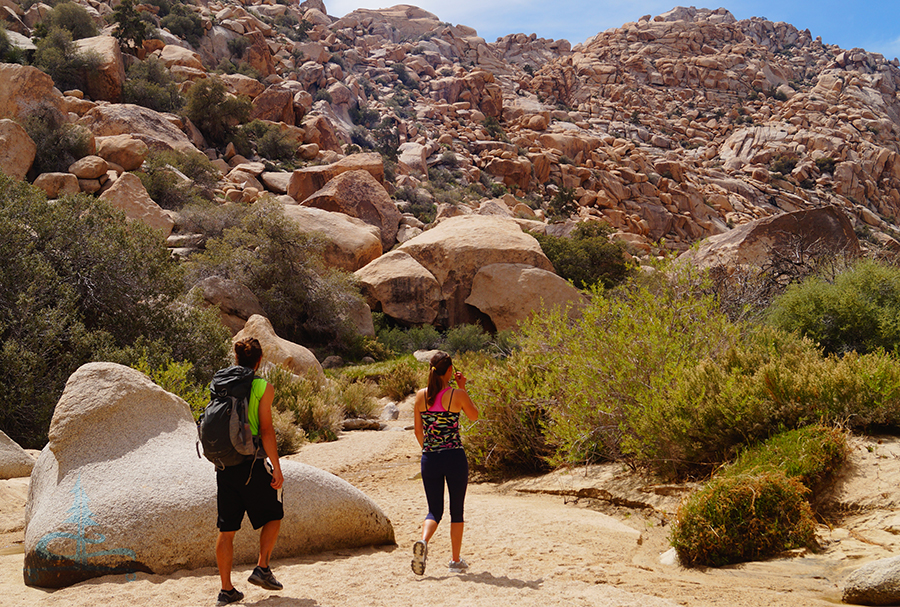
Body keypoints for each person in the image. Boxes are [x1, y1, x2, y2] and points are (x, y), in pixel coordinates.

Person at [214, 337, 285, 606]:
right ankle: (262, 567)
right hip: (252, 464)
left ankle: (226, 589)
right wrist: (276, 468)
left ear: (236, 359)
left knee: (226, 529)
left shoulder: (219, 383)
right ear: (259, 360)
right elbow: (265, 430)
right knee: (274, 514)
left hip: (224, 465)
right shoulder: (262, 386)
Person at [411, 351, 479, 575]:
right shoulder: (456, 395)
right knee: (456, 510)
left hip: (430, 458)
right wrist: (463, 388)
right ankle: (455, 560)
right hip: (454, 457)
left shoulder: (421, 396)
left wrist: (429, 449)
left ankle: (423, 541)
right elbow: (473, 415)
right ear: (449, 371)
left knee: (434, 511)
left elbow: (418, 432)